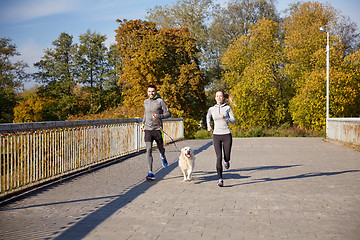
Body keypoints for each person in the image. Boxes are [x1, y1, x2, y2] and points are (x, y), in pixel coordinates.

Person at [141, 85, 171, 180]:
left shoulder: (160, 101)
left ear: (156, 91)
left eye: (153, 91)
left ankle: (163, 156)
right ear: (147, 92)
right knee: (148, 149)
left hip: (157, 130)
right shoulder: (145, 102)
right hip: (148, 129)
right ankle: (150, 172)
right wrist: (142, 124)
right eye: (149, 91)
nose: (151, 93)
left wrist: (159, 116)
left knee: (160, 148)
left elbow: (168, 113)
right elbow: (146, 114)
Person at [206, 90, 235, 187]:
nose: (219, 97)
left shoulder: (227, 108)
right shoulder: (211, 109)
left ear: (223, 98)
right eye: (217, 96)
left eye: (220, 96)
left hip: (226, 134)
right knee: (218, 157)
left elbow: (233, 121)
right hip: (216, 135)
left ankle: (226, 161)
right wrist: (208, 126)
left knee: (226, 156)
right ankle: (220, 179)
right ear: (215, 98)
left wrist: (225, 118)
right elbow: (208, 117)